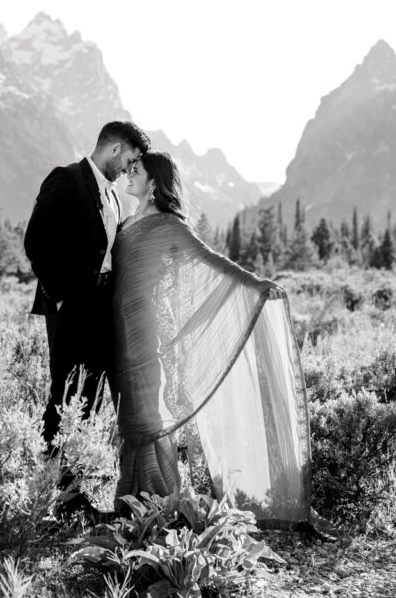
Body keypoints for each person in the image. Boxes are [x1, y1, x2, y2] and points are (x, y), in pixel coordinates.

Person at [110, 150, 314, 527]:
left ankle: (160, 508)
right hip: (118, 330)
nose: (127, 173)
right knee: (130, 417)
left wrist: (255, 285)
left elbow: (211, 260)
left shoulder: (170, 225)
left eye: (135, 170)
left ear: (154, 182)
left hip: (147, 327)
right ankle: (131, 507)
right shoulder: (126, 222)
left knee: (148, 416)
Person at [24, 121, 151, 457]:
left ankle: (74, 485)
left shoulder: (112, 195)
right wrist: (63, 298)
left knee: (91, 395)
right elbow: (36, 242)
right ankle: (49, 486)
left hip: (101, 306)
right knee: (65, 394)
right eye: (129, 160)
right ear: (114, 148)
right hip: (71, 305)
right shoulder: (66, 179)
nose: (128, 170)